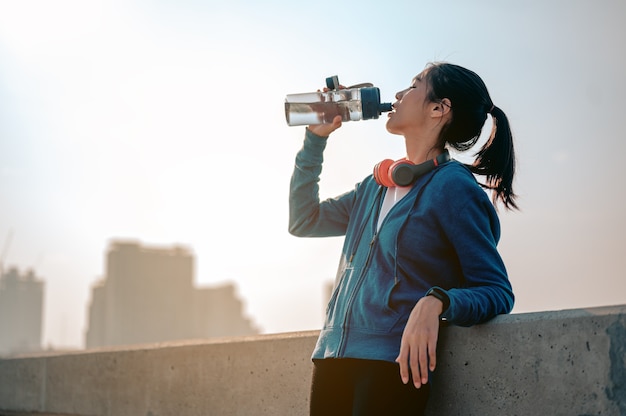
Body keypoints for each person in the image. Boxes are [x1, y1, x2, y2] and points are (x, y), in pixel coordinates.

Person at [288, 62, 517, 415]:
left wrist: (436, 301)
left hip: (391, 367)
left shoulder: (453, 188)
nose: (397, 95)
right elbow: (305, 220)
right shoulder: (376, 186)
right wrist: (314, 140)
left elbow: (496, 290)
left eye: (413, 86)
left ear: (439, 109)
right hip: (332, 358)